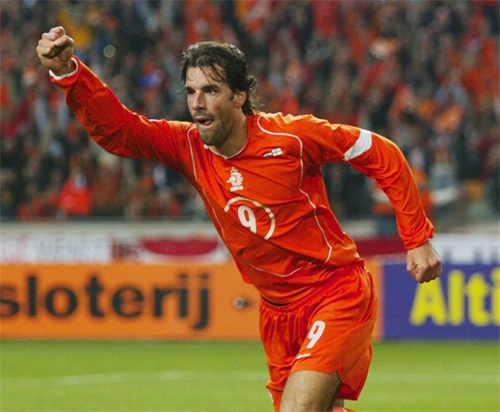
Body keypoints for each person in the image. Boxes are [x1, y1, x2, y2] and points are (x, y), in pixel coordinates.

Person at [36, 26, 442, 412]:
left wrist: (417, 237)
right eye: (191, 91)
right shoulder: (188, 147)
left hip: (334, 292)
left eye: (210, 90)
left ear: (239, 96)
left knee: (299, 408)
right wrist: (69, 73)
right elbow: (119, 131)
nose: (197, 103)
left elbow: (381, 152)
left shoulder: (291, 137)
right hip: (277, 312)